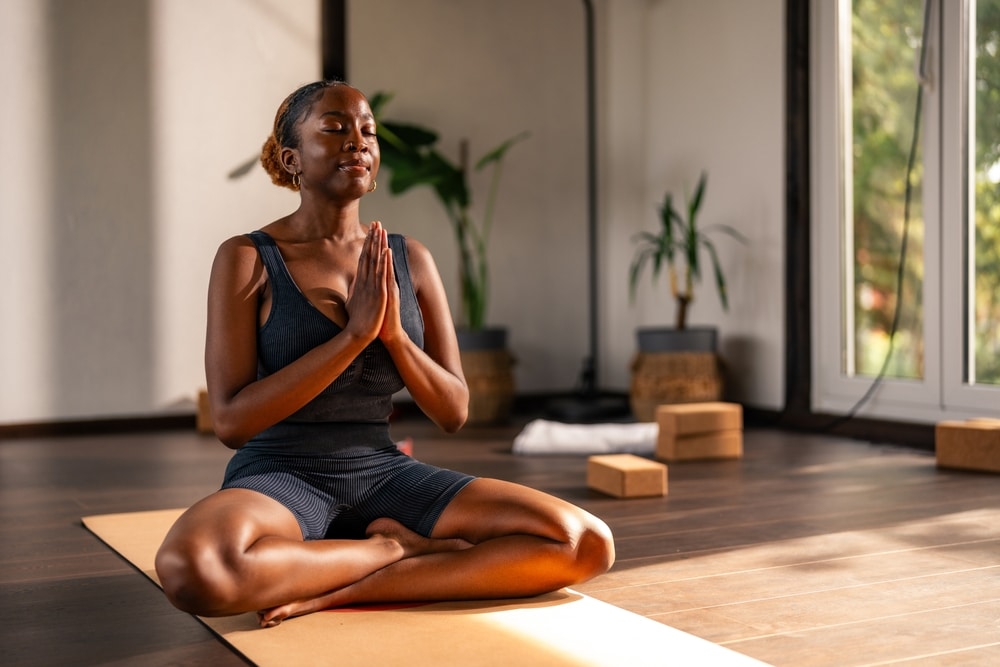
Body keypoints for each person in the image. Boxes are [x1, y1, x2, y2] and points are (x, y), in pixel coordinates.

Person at [154, 80, 615, 628]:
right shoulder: (247, 258)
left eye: (367, 132)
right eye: (334, 128)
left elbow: (453, 411)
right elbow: (231, 421)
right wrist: (351, 337)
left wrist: (392, 334)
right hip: (279, 473)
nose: (358, 141)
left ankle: (348, 586)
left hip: (383, 472)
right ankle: (390, 551)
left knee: (583, 542)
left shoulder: (410, 259)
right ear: (290, 158)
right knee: (193, 567)